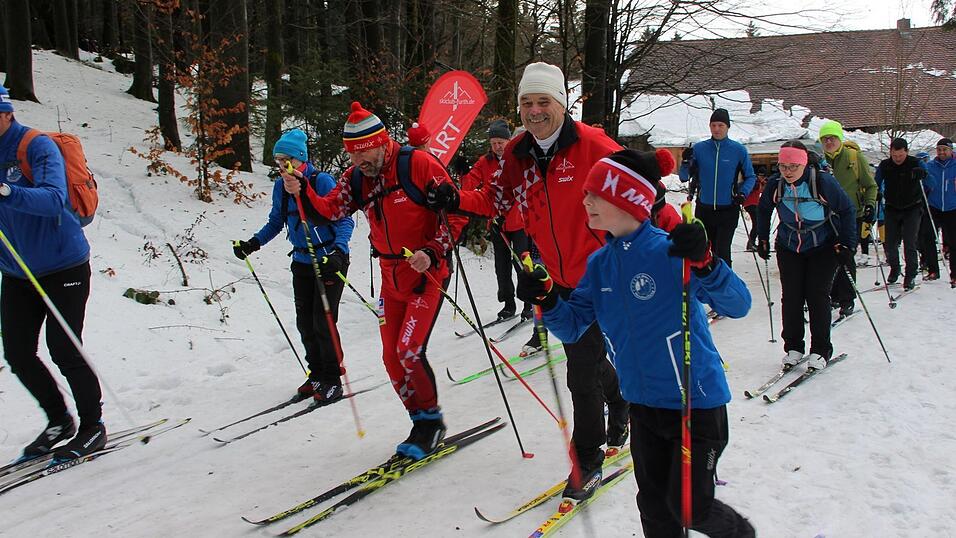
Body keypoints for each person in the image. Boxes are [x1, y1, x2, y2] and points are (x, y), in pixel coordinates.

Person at [517, 148, 755, 537]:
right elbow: (574, 326)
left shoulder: (670, 252)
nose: (585, 200)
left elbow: (739, 304)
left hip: (694, 404)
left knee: (690, 508)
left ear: (625, 199)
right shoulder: (601, 264)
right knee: (655, 508)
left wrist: (707, 262)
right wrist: (547, 300)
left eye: (595, 194)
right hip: (643, 406)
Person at [425, 62, 630, 501]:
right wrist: (454, 196)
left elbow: (641, 188)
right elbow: (494, 197)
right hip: (558, 279)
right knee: (585, 363)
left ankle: (588, 459)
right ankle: (614, 414)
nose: (534, 111)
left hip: (603, 274)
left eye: (543, 102)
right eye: (526, 102)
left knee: (583, 368)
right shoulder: (518, 151)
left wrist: (674, 244)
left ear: (562, 104)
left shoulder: (592, 145)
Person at [284, 101, 465, 461]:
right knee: (391, 360)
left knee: (409, 351)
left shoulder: (417, 164)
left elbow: (458, 214)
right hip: (390, 277)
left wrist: (431, 250)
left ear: (383, 142)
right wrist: (303, 190)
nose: (359, 160)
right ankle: (419, 420)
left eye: (365, 151)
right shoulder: (357, 178)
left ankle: (432, 424)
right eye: (353, 154)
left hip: (425, 273)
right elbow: (331, 210)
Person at [0, 85, 107, 461]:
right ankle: (59, 420)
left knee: (64, 348)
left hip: (64, 265)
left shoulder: (35, 146)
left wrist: (6, 191)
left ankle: (93, 425)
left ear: (7, 113)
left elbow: (53, 199)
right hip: (17, 272)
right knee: (17, 351)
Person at [233, 129, 355, 402]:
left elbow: (344, 220)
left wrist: (339, 251)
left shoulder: (320, 181)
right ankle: (317, 374)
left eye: (287, 160)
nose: (282, 166)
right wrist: (253, 243)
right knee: (305, 324)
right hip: (301, 261)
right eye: (277, 161)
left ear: (301, 159)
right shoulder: (282, 187)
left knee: (322, 321)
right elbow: (277, 221)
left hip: (327, 260)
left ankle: (333, 378)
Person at [755, 141, 856, 370]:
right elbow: (763, 209)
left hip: (823, 245)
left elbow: (847, 209)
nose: (787, 172)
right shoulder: (776, 184)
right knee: (791, 296)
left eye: (793, 167)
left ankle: (820, 350)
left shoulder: (821, 181)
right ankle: (793, 347)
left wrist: (847, 245)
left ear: (803, 164)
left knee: (817, 295)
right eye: (782, 166)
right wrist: (761, 238)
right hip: (789, 245)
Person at [460, 119, 532, 322]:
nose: (497, 146)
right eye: (493, 143)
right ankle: (508, 305)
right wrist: (463, 172)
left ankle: (529, 303)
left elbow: (524, 193)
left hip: (518, 223)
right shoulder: (486, 162)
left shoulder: (519, 158)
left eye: (501, 142)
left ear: (509, 141)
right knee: (502, 267)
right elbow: (468, 187)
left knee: (522, 264)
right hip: (497, 224)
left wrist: (508, 216)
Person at [678, 108, 757, 267]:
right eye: (713, 125)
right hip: (704, 208)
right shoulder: (700, 149)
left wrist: (742, 194)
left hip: (728, 209)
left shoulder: (738, 150)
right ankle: (707, 286)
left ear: (727, 127)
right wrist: (685, 162)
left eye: (720, 125)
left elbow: (751, 177)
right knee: (705, 251)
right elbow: (684, 177)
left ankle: (725, 287)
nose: (716, 129)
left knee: (722, 251)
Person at [818, 120, 877, 316]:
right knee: (828, 257)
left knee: (846, 256)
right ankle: (833, 295)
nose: (829, 142)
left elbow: (871, 185)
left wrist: (870, 204)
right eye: (825, 139)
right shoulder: (819, 161)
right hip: (826, 217)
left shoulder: (853, 157)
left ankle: (847, 298)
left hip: (851, 214)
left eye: (832, 138)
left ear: (840, 139)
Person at [874, 137, 925, 290]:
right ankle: (895, 268)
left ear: (906, 152)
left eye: (900, 156)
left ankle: (910, 274)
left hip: (912, 207)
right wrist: (875, 192)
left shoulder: (915, 163)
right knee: (890, 243)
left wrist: (923, 174)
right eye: (894, 156)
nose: (897, 159)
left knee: (909, 242)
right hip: (892, 207)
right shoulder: (885, 165)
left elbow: (930, 181)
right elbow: (875, 182)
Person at [922, 137, 956, 287]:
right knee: (928, 237)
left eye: (945, 149)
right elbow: (923, 184)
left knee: (954, 241)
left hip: (952, 207)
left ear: (951, 150)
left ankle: (954, 274)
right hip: (933, 207)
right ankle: (933, 270)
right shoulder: (930, 166)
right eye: (939, 149)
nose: (942, 152)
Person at [742, 165, 768, 251]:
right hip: (751, 204)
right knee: (756, 224)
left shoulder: (758, 182)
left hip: (752, 204)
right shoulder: (755, 182)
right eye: (762, 176)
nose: (763, 178)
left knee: (756, 224)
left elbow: (760, 190)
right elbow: (755, 188)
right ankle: (751, 244)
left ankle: (751, 243)